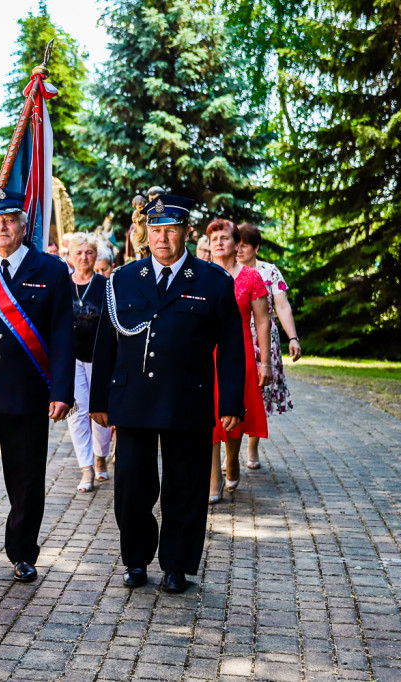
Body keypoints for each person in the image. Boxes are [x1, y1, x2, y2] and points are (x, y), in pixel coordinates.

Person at [89, 194, 245, 594]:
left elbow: (231, 346)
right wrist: (99, 401)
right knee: (131, 487)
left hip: (186, 399)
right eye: (156, 230)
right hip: (133, 400)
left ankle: (177, 565)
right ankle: (136, 560)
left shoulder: (213, 282)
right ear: (147, 232)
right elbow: (105, 344)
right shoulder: (123, 279)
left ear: (186, 233)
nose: (162, 238)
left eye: (171, 230)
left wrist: (230, 401)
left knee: (185, 487)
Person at [0, 188, 75, 583]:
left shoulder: (52, 271)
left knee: (26, 483)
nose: (1, 227)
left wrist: (61, 391)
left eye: (8, 220)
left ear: (24, 225)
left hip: (27, 395)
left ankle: (23, 551)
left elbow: (62, 336)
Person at [206, 219, 271, 502]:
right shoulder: (202, 274)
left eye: (224, 237)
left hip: (241, 351)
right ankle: (213, 476)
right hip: (206, 351)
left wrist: (265, 362)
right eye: (214, 238)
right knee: (206, 414)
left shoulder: (251, 277)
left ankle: (232, 460)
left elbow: (264, 321)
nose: (219, 242)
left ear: (237, 244)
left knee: (233, 413)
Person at [236, 222, 301, 469]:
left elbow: (282, 306)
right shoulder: (227, 271)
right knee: (235, 392)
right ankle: (229, 454)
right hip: (237, 337)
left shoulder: (269, 272)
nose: (240, 251)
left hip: (264, 340)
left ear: (257, 247)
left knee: (260, 394)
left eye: (245, 246)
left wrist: (293, 337)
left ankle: (252, 448)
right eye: (238, 245)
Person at [66, 233, 112, 492]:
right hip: (72, 358)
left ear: (96, 256)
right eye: (79, 253)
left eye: (89, 252)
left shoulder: (105, 285)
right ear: (71, 257)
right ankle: (86, 468)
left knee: (99, 411)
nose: (84, 257)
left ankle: (101, 457)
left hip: (100, 357)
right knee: (77, 413)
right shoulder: (63, 285)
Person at [127, 195, 149, 261]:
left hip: (145, 226)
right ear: (135, 207)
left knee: (146, 232)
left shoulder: (145, 212)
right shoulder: (136, 212)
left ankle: (145, 242)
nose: (142, 208)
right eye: (140, 207)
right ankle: (139, 242)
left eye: (143, 207)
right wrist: (139, 219)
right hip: (139, 226)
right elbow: (134, 219)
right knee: (141, 232)